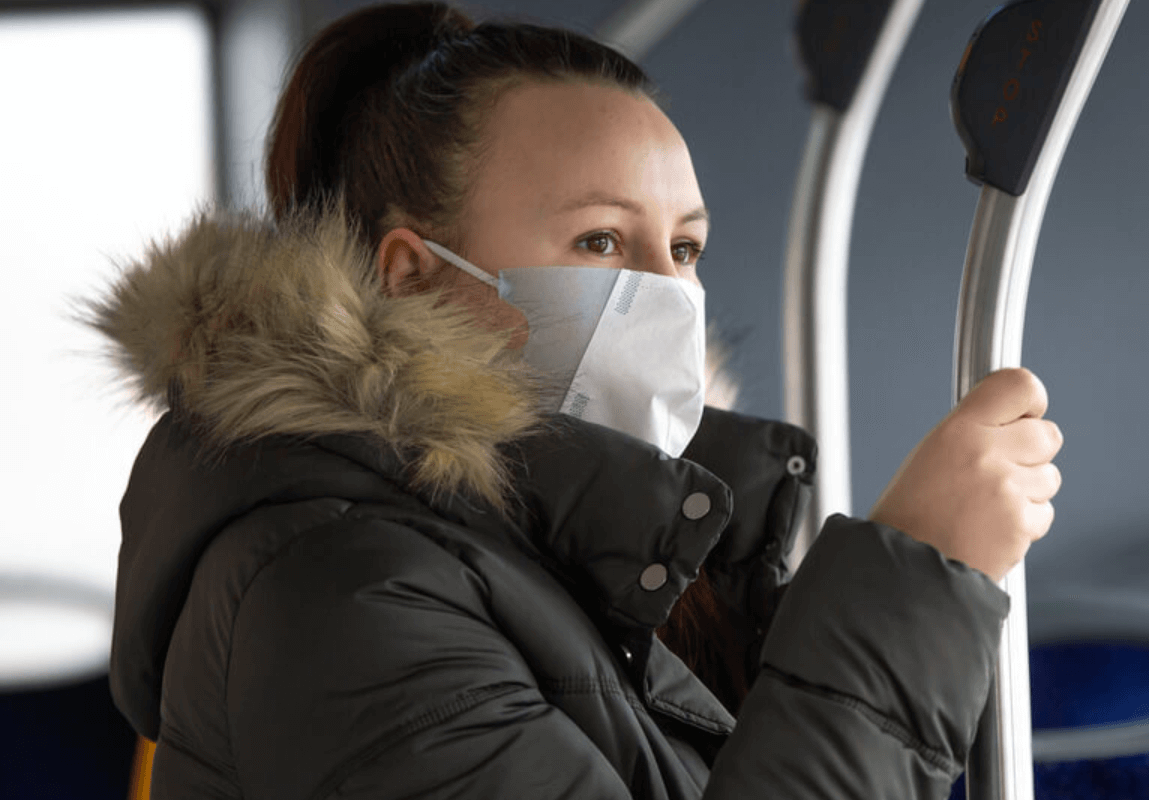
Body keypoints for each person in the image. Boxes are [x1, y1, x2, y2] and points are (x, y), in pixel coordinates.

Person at [87, 2, 1063, 798]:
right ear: (414, 278)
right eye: (601, 241)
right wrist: (913, 582)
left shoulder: (613, 546)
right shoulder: (337, 594)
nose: (669, 293)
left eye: (684, 249)